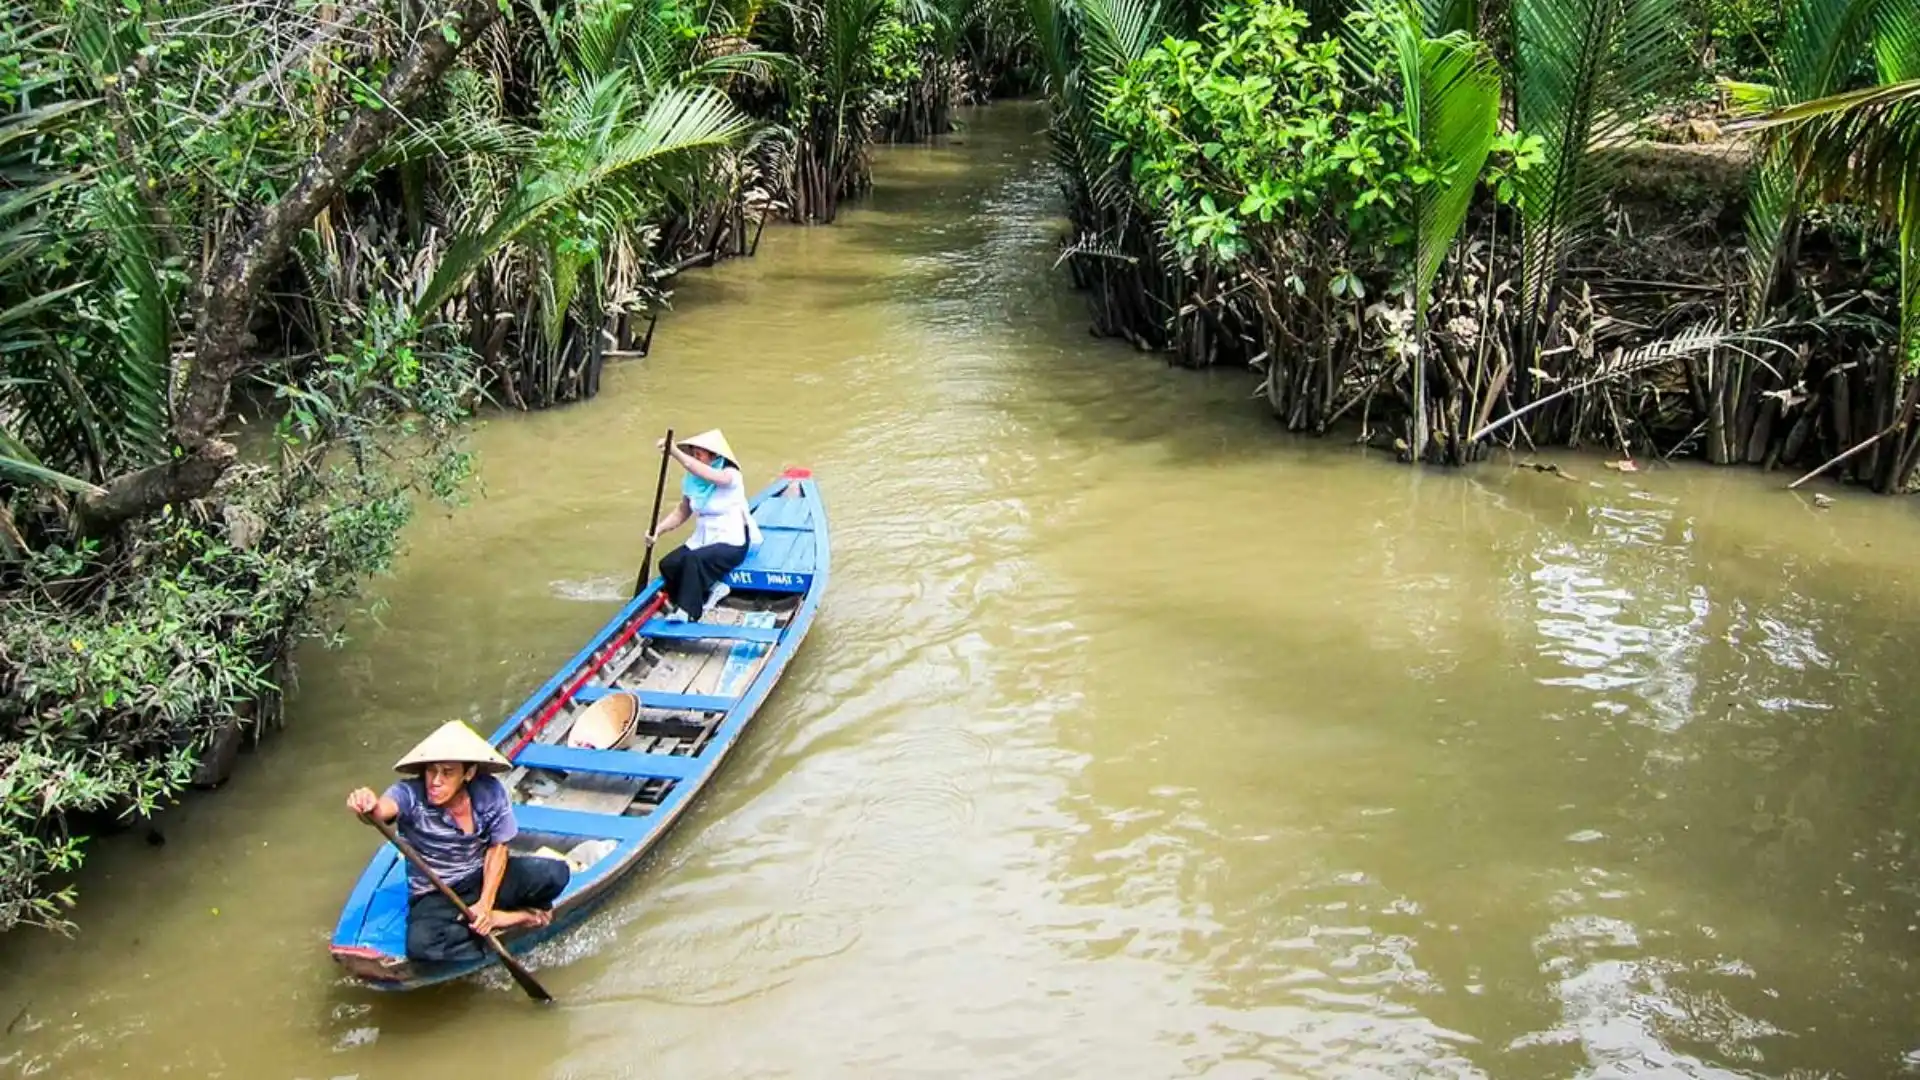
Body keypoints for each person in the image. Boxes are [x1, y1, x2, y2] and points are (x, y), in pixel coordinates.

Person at [345, 720, 570, 963]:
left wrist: (485, 905)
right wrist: (368, 806)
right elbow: (382, 810)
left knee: (555, 873)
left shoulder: (489, 792)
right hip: (437, 892)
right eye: (432, 770)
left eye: (448, 772)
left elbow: (498, 848)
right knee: (422, 946)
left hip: (480, 877)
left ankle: (497, 919)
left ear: (468, 773)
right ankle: (523, 918)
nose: (436, 781)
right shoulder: (410, 794)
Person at [644, 428, 762, 622]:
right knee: (669, 565)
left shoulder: (729, 475)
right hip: (704, 539)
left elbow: (700, 470)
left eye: (699, 455)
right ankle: (713, 587)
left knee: (693, 560)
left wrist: (674, 452)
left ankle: (688, 612)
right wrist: (657, 531)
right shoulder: (692, 481)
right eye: (693, 454)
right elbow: (682, 511)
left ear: (713, 456)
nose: (695, 458)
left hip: (731, 541)